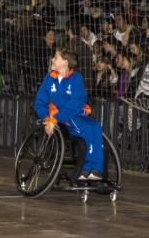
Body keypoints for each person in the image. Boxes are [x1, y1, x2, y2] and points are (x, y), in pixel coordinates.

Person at [34, 48, 104, 181]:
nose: (52, 60)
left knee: (96, 127)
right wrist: (49, 119)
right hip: (61, 119)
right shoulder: (49, 79)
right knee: (87, 129)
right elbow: (39, 102)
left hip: (72, 114)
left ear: (65, 62)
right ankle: (87, 169)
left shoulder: (76, 78)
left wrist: (54, 119)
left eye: (55, 58)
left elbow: (76, 103)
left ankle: (97, 170)